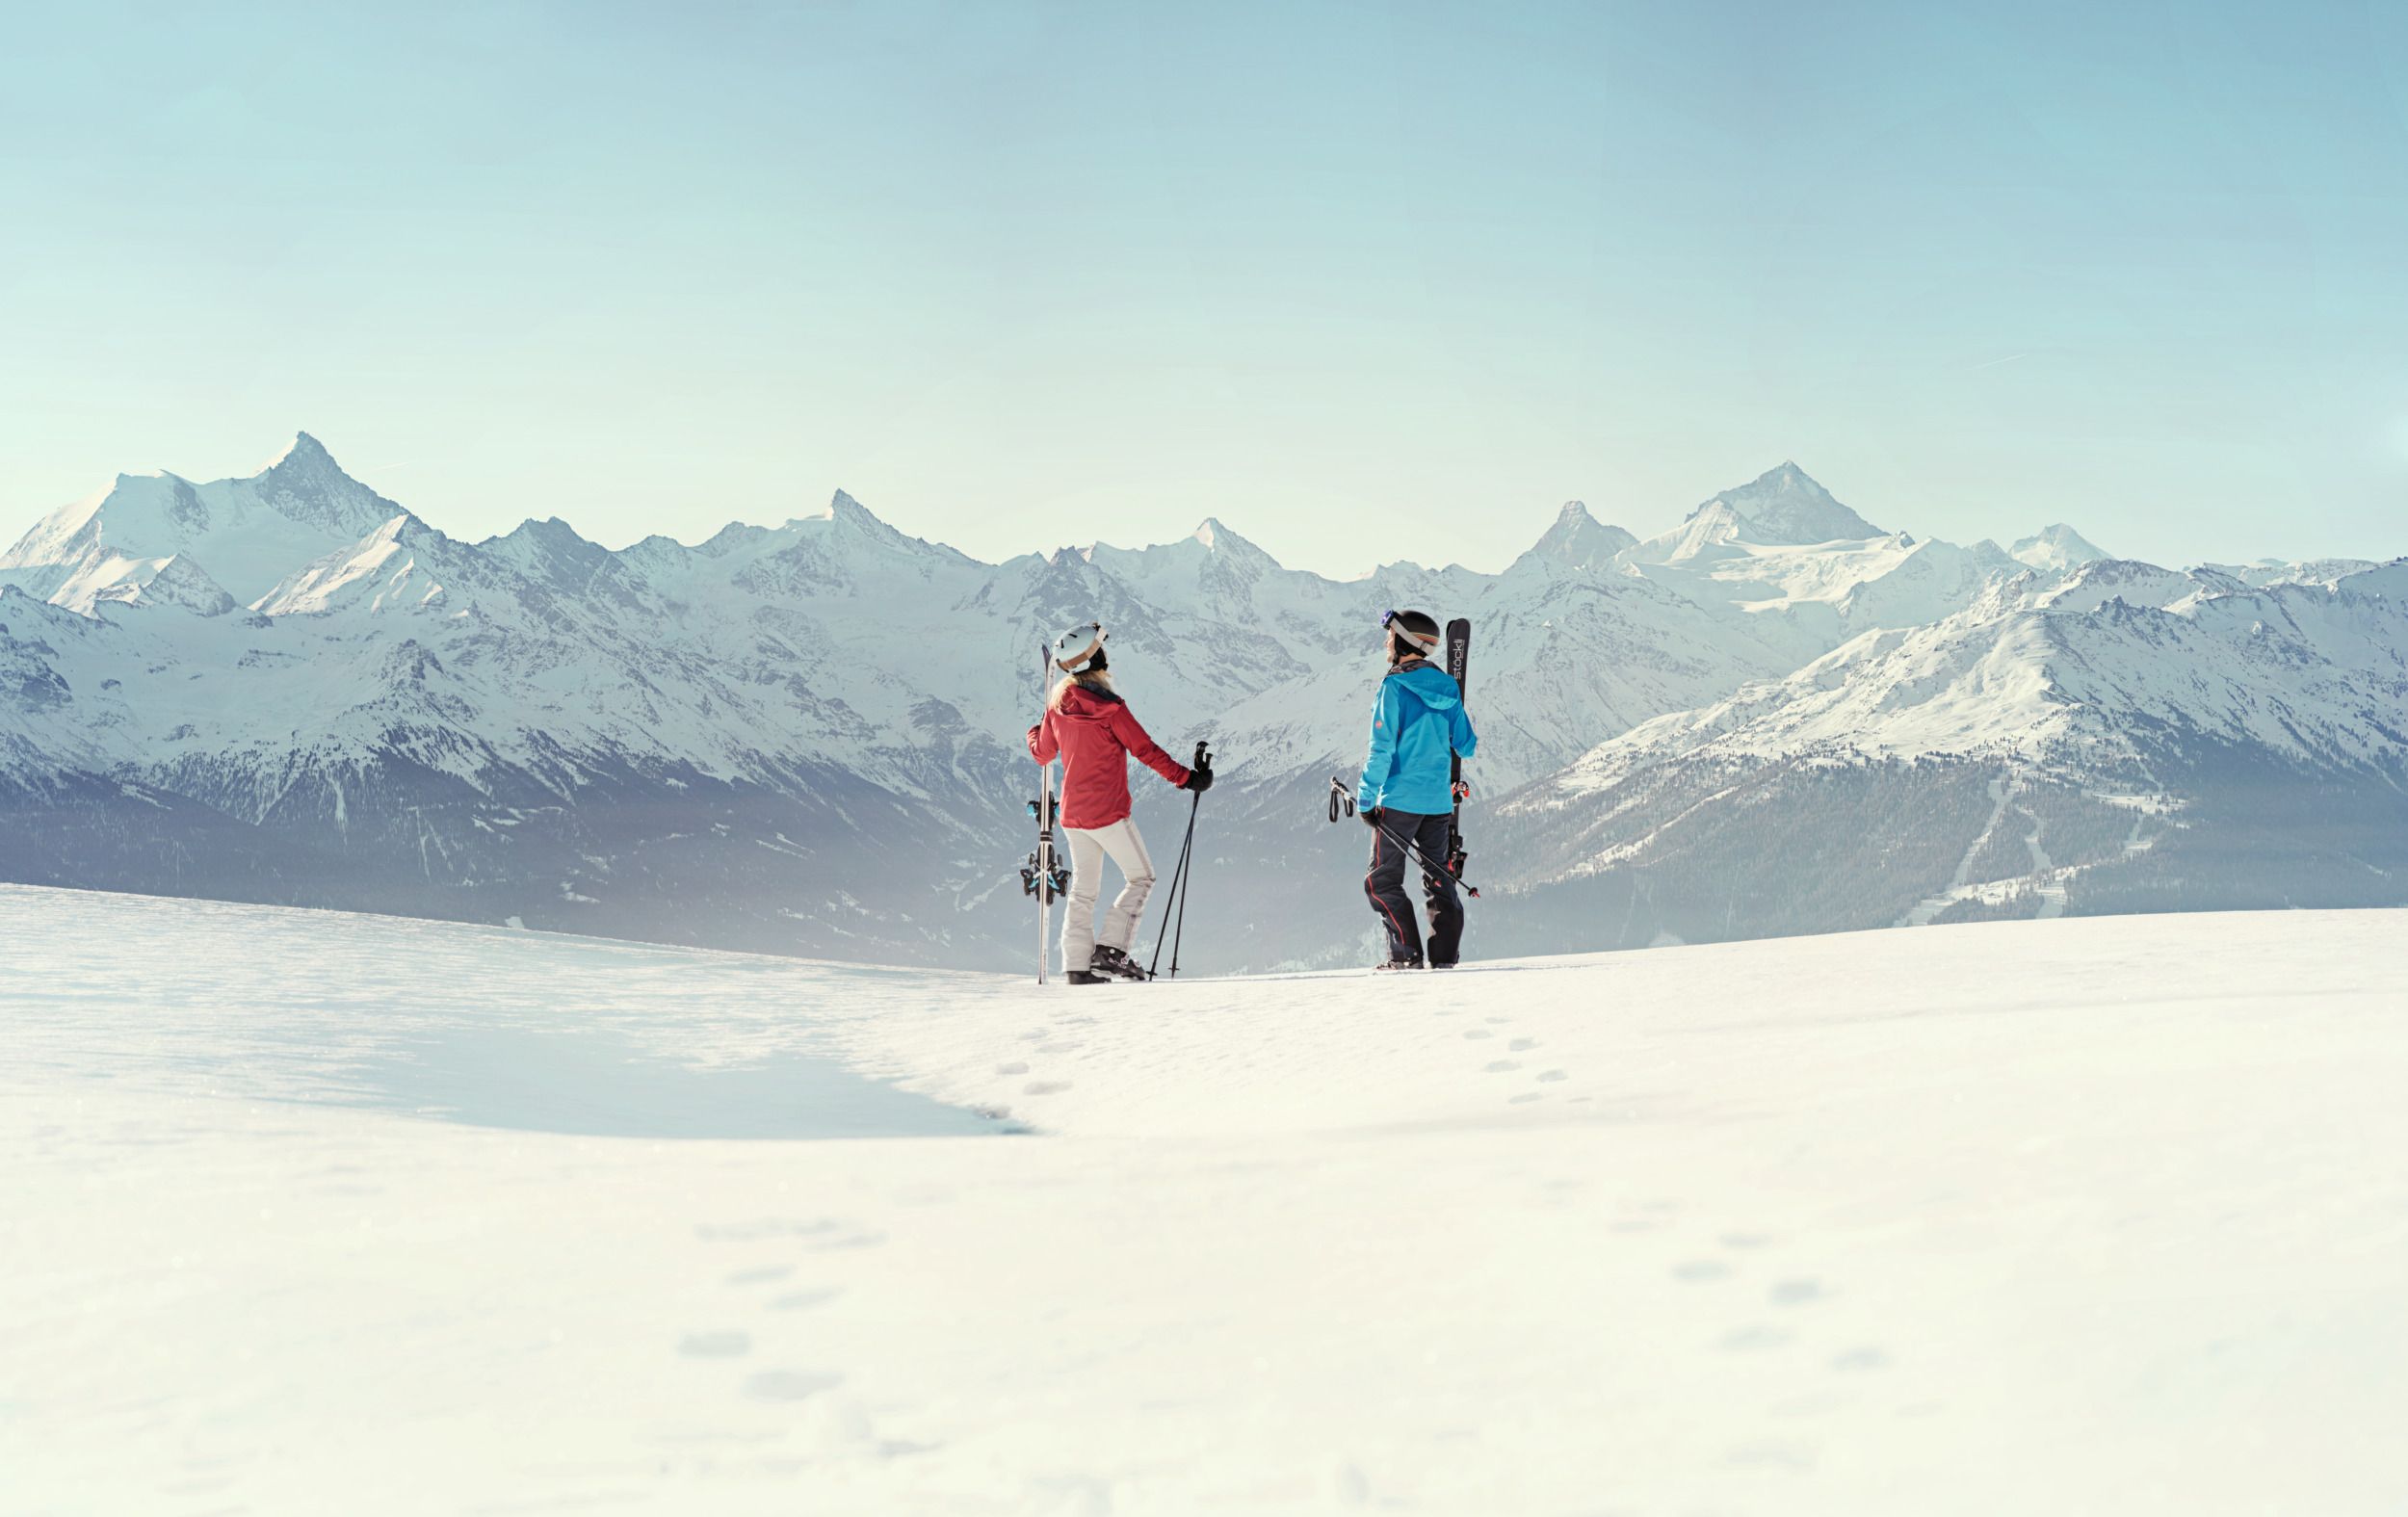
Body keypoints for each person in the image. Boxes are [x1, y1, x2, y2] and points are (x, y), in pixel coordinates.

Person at [1027, 622, 1212, 984]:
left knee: (1083, 888)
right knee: (1141, 877)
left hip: (1073, 816)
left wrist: (1034, 729)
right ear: (1095, 660)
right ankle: (1110, 951)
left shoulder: (1057, 709)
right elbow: (1145, 750)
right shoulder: (1111, 709)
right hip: (1108, 814)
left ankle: (1077, 967)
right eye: (1101, 651)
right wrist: (1188, 778)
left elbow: (1042, 754)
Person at [1355, 609, 1477, 970]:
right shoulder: (1447, 687)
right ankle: (1444, 958)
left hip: (1399, 803)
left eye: (1390, 635)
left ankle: (1405, 955)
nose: (1386, 641)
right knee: (1439, 877)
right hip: (1439, 804)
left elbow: (1381, 750)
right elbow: (1467, 745)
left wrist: (1365, 800)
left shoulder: (1393, 687)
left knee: (1381, 881)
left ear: (1405, 640)